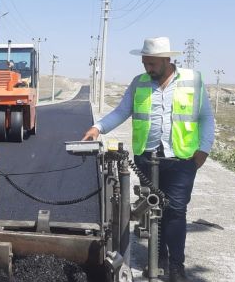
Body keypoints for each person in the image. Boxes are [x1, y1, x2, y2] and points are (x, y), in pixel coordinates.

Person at [82, 37, 214, 282]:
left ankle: (176, 265)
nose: (148, 68)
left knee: (175, 210)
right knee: (155, 211)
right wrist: (98, 127)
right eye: (145, 63)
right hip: (147, 157)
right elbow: (123, 111)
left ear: (166, 60)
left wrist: (203, 150)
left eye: (152, 64)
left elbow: (206, 117)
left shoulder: (192, 80)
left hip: (182, 158)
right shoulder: (139, 83)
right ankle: (158, 259)